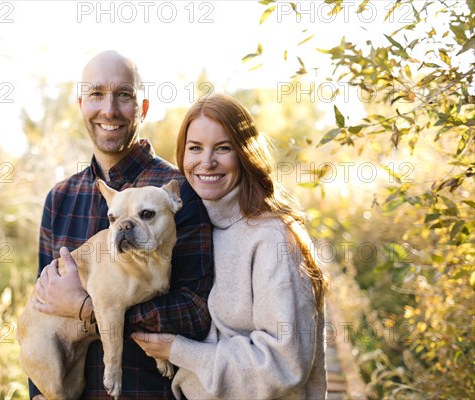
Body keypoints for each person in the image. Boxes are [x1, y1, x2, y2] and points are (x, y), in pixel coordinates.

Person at [29, 51, 214, 399]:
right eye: (97, 94)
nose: (109, 110)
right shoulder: (60, 197)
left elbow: (196, 314)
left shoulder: (180, 192)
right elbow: (43, 304)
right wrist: (38, 392)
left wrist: (88, 310)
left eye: (123, 95)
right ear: (81, 104)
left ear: (143, 108)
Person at [133, 93, 328, 399]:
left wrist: (177, 350)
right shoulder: (193, 230)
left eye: (223, 148)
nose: (206, 162)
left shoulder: (272, 237)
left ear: (244, 153)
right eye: (195, 148)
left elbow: (283, 363)